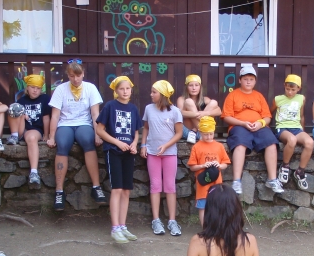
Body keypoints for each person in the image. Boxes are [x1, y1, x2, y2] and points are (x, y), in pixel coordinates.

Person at [47, 60, 107, 211]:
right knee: (62, 144)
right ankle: (59, 191)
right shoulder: (61, 89)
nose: (75, 79)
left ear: (83, 74)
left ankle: (96, 187)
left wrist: (98, 134)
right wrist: (51, 136)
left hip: (84, 123)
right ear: (68, 75)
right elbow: (55, 115)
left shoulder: (90, 88)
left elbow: (95, 114)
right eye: (72, 76)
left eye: (78, 75)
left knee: (88, 141)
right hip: (65, 124)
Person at [222, 66, 284, 195]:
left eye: (251, 79)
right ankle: (236, 181)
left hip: (259, 126)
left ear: (255, 81)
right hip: (239, 126)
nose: (248, 82)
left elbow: (267, 116)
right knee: (240, 144)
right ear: (240, 80)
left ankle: (272, 179)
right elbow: (226, 117)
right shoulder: (233, 95)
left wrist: (260, 123)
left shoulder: (259, 96)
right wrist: (243, 123)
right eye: (245, 79)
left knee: (271, 143)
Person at [95, 76, 143, 243]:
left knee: (126, 190)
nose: (125, 91)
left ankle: (123, 226)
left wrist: (134, 144)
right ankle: (115, 228)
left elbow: (136, 132)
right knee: (117, 188)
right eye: (121, 89)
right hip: (114, 151)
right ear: (116, 91)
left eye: (128, 88)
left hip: (129, 153)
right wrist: (117, 143)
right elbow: (100, 130)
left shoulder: (133, 108)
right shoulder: (110, 106)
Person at [140, 80, 183, 236]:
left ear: (163, 94)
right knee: (155, 185)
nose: (151, 94)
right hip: (152, 153)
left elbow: (179, 133)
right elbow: (146, 128)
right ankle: (156, 220)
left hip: (169, 153)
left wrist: (166, 146)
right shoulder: (148, 109)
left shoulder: (175, 111)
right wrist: (143, 145)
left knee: (170, 186)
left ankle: (172, 220)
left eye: (154, 92)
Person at [6, 74, 51, 188]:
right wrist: (22, 114)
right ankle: (14, 136)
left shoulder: (45, 99)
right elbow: (15, 114)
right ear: (27, 88)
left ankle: (34, 173)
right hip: (22, 128)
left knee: (31, 138)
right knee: (14, 108)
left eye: (38, 88)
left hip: (35, 129)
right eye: (32, 87)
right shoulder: (22, 100)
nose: (35, 90)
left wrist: (46, 134)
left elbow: (46, 118)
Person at [272, 74, 314, 190]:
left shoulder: (301, 98)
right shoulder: (278, 99)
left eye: (293, 90)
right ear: (284, 86)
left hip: (296, 128)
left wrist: (302, 130)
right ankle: (285, 166)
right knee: (292, 140)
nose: (290, 92)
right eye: (287, 89)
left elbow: (301, 115)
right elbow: (270, 112)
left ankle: (300, 171)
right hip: (282, 127)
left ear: (298, 88)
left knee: (310, 142)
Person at [187, 116, 231, 226]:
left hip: (217, 183)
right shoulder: (196, 147)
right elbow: (192, 167)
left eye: (211, 134)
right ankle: (205, 230)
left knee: (217, 206)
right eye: (206, 134)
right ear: (200, 132)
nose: (209, 137)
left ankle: (217, 228)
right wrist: (202, 165)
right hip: (203, 184)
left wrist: (219, 165)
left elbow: (225, 163)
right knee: (202, 207)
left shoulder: (219, 146)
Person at [176, 74, 222, 144]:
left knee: (214, 102)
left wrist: (205, 113)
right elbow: (180, 113)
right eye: (191, 85)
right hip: (188, 132)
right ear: (186, 87)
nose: (194, 88)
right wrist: (197, 114)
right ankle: (198, 130)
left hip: (204, 133)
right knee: (188, 101)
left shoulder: (205, 99)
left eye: (196, 85)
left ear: (200, 87)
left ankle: (196, 130)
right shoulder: (181, 99)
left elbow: (219, 111)